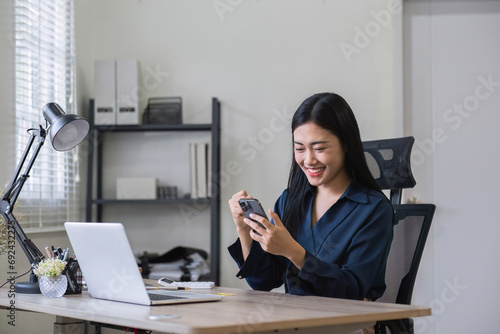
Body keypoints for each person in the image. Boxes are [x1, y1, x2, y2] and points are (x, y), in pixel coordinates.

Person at [227, 92, 394, 301]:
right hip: (294, 320)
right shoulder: (290, 200)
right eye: (299, 149)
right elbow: (264, 282)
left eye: (319, 148)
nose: (308, 160)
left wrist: (294, 252)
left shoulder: (373, 209)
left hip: (346, 321)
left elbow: (352, 290)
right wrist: (244, 229)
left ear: (346, 144)